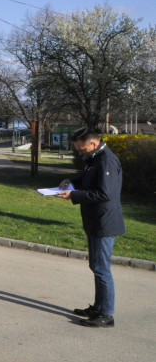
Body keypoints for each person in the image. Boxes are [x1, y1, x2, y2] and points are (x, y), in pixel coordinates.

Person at [56, 127, 125, 328]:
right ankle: (97, 307)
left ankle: (107, 314)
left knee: (102, 269)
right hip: (95, 221)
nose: (80, 153)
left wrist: (73, 196)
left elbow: (105, 193)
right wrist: (72, 182)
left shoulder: (106, 161)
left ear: (93, 144)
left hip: (105, 222)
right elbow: (88, 182)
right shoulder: (94, 159)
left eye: (82, 149)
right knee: (96, 267)